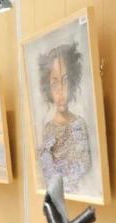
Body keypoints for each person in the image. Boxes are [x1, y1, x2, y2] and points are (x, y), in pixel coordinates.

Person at [38, 42, 91, 194]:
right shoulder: (48, 129)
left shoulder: (79, 124)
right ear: (48, 88)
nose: (61, 91)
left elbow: (85, 165)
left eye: (65, 81)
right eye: (54, 84)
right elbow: (47, 172)